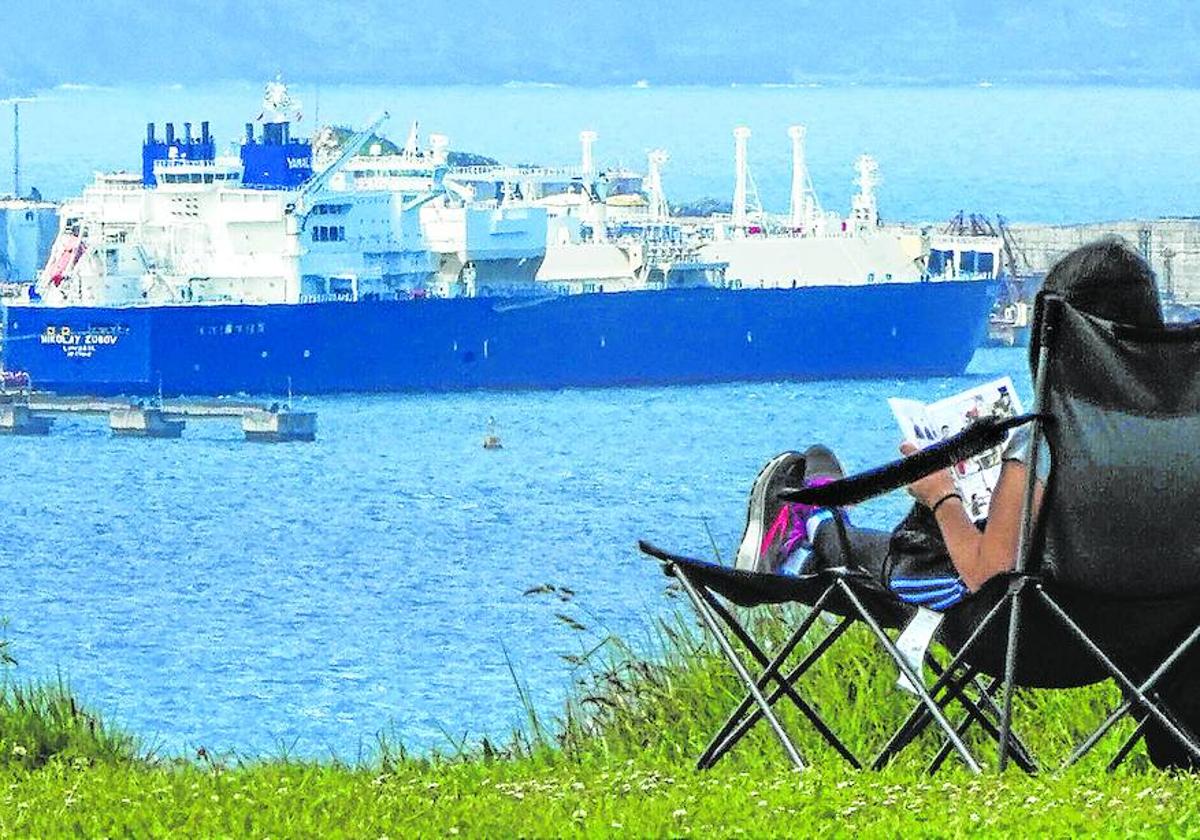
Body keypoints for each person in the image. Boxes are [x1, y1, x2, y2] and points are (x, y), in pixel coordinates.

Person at [735, 237, 1197, 768]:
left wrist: (941, 496)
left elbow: (986, 572)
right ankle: (817, 528)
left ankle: (809, 536)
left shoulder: (1052, 436)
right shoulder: (1186, 434)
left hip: (1028, 638)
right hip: (1160, 645)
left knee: (911, 560)